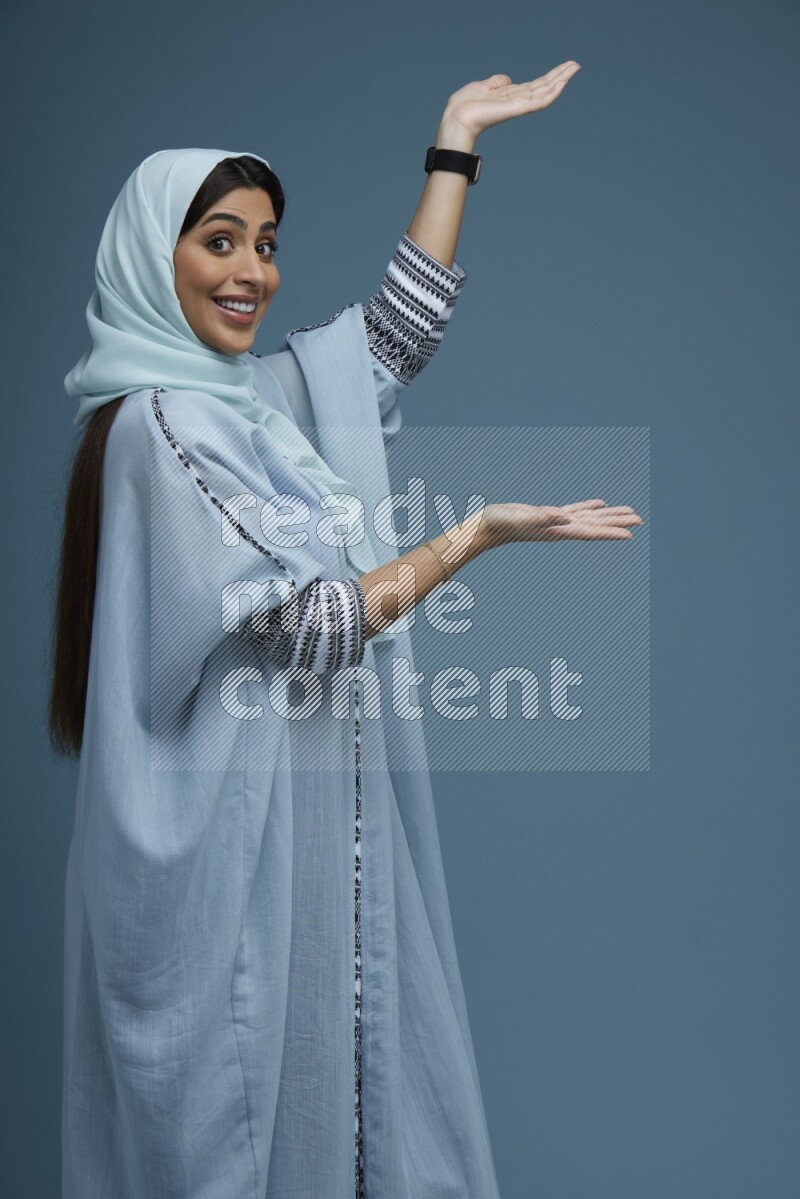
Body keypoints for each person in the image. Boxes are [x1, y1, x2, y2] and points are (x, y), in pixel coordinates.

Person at [51, 66, 642, 1199]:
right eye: (218, 241)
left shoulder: (238, 405)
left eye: (266, 245)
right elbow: (315, 626)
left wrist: (454, 145)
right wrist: (471, 536)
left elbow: (383, 343)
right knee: (234, 1131)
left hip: (289, 828)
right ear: (149, 256)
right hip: (221, 866)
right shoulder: (167, 424)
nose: (251, 273)